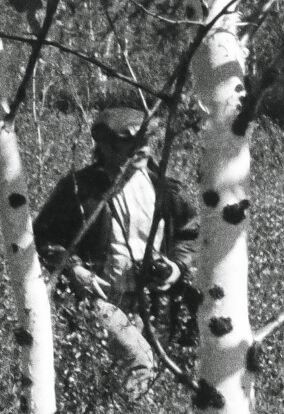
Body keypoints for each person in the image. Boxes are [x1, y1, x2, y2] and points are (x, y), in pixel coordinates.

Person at [34, 106, 200, 397]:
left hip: (150, 302)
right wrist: (75, 269)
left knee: (140, 375)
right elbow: (41, 238)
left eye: (146, 141)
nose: (144, 149)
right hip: (98, 300)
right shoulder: (79, 190)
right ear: (105, 146)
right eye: (132, 142)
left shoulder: (163, 187)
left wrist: (175, 269)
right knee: (140, 362)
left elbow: (190, 233)